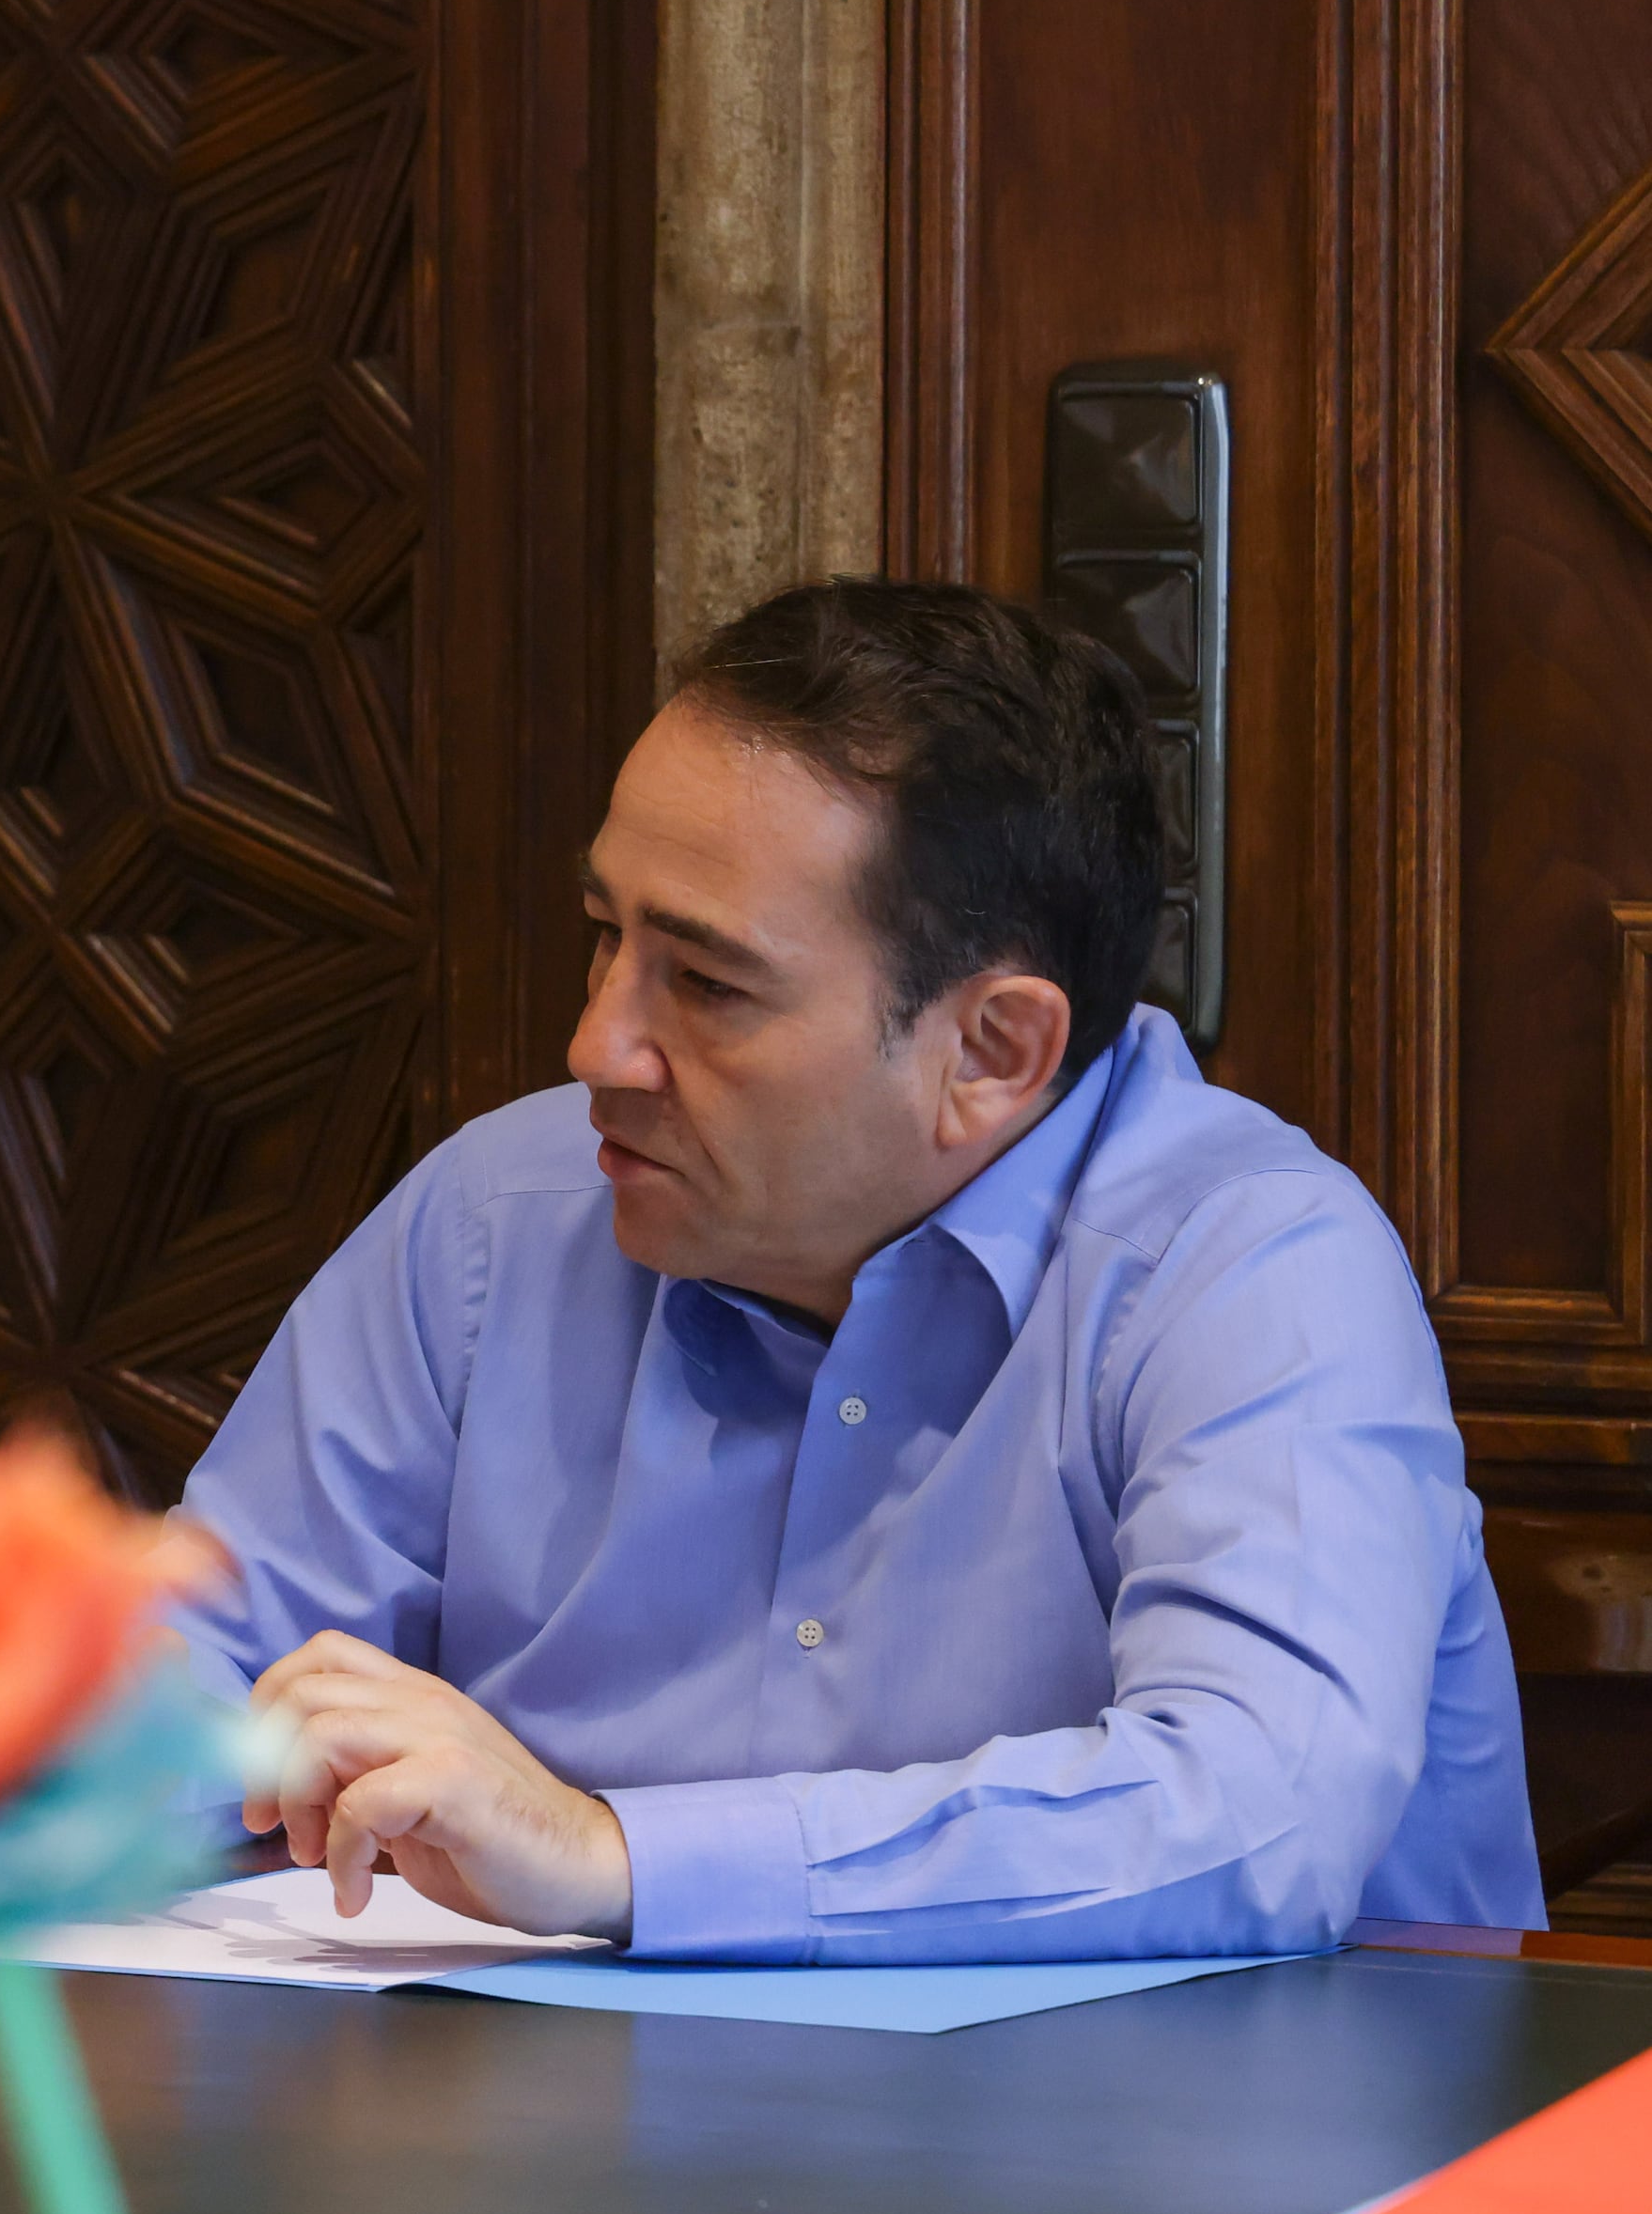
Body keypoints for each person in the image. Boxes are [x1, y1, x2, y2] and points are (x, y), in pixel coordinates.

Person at [172, 577, 1540, 1957]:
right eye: (607, 935)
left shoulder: (1252, 1269)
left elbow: (1259, 1813)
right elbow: (195, 1671)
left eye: (705, 986)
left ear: (993, 1053)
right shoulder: (497, 1216)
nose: (598, 1047)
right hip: (578, 2130)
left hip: (1213, 2153)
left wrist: (608, 1853)